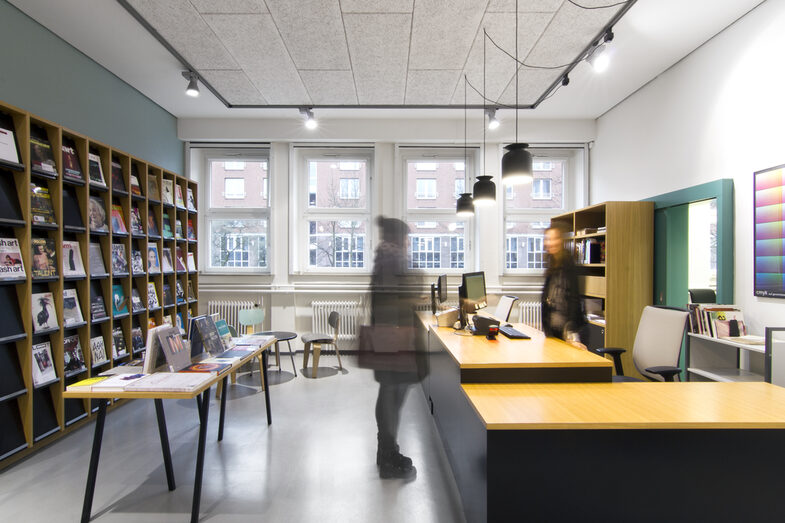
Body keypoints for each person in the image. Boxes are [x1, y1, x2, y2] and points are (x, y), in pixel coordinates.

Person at [360, 217, 420, 480]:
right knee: (391, 398)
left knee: (389, 395)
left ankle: (386, 451)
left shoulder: (386, 259)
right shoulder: (393, 261)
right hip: (393, 342)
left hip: (388, 339)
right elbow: (394, 301)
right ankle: (388, 458)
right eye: (406, 238)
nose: (409, 243)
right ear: (398, 239)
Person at [541, 224, 587, 349]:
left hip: (568, 332)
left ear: (561, 240)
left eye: (554, 239)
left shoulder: (569, 265)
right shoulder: (552, 264)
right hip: (553, 331)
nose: (550, 243)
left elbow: (574, 299)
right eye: (548, 239)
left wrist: (571, 333)